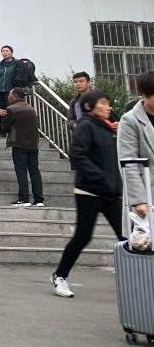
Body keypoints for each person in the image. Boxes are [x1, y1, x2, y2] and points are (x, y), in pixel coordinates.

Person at [51, 91, 125, 298]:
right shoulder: (86, 126)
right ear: (89, 107)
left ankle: (136, 276)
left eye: (109, 103)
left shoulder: (109, 129)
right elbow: (76, 154)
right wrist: (99, 177)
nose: (108, 107)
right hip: (89, 191)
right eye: (104, 103)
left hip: (111, 192)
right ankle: (60, 275)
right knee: (83, 236)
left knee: (126, 236)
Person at [117, 71, 154, 233]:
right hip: (148, 195)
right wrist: (139, 200)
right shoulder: (130, 120)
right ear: (145, 94)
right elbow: (128, 162)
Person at [1, 88, 44, 207]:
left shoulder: (11, 109)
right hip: (33, 145)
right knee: (34, 172)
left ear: (15, 97)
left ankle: (24, 199)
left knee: (21, 171)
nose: (8, 98)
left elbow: (4, 127)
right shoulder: (32, 109)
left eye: (10, 96)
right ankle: (39, 200)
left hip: (19, 144)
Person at [0, 45, 20, 110]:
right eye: (3, 51)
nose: (5, 52)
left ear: (11, 53)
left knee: (11, 109)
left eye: (7, 51)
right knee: (2, 111)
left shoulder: (17, 63)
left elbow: (19, 76)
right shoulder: (0, 65)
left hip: (11, 91)